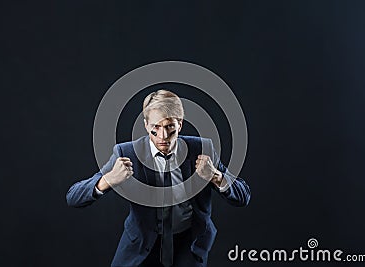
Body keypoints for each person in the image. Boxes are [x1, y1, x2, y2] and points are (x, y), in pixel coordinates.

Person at [66, 89, 251, 267]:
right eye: (155, 127)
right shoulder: (126, 152)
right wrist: (107, 180)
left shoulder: (202, 149)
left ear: (180, 124)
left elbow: (243, 196)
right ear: (146, 125)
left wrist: (216, 177)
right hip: (141, 245)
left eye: (170, 127)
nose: (163, 136)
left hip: (189, 245)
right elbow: (73, 197)